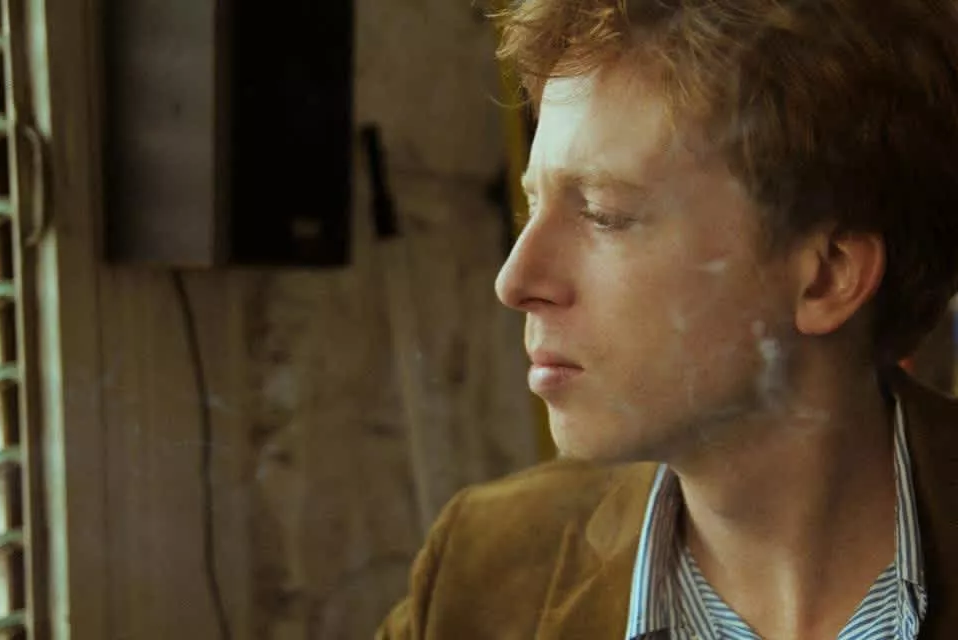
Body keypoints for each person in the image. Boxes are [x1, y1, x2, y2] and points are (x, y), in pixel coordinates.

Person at [378, 0, 958, 638]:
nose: (515, 282)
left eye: (603, 213)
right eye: (532, 206)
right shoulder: (479, 572)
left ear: (827, 275)